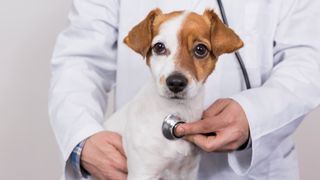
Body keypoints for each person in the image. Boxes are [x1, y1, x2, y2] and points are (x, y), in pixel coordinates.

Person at [49, 0, 320, 179]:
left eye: (200, 50)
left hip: (256, 170)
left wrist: (255, 115)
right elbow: (80, 59)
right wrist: (82, 138)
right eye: (160, 48)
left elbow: (310, 60)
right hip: (133, 153)